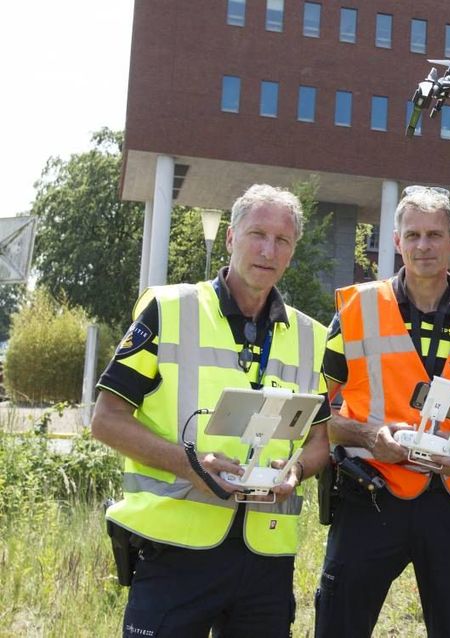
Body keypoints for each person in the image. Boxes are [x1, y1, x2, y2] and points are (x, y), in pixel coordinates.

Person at [92, 184, 330, 637]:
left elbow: (321, 440)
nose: (268, 249)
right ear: (230, 238)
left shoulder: (312, 337)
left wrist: (297, 470)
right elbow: (106, 421)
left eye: (282, 240)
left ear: (293, 250)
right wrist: (192, 465)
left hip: (266, 556)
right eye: (257, 233)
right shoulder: (168, 308)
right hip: (175, 548)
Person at [314, 185, 450, 638]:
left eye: (434, 234)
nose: (423, 246)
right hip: (371, 496)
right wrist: (370, 438)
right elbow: (318, 415)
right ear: (396, 241)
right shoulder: (356, 311)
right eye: (413, 235)